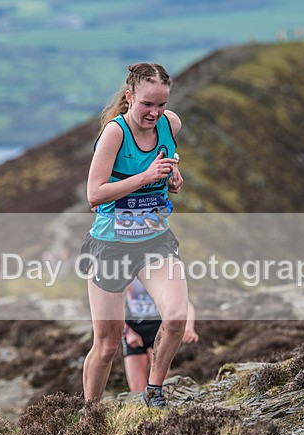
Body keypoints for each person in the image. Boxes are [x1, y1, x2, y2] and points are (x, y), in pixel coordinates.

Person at [80, 62, 188, 408]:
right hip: (110, 244)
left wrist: (172, 178)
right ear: (130, 97)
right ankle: (90, 412)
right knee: (108, 344)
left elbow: (167, 163)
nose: (154, 113)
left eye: (161, 105)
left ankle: (154, 391)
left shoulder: (171, 125)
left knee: (175, 317)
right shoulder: (115, 133)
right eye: (147, 104)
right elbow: (94, 195)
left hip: (155, 239)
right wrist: (145, 177)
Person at [123, 278, 199, 393]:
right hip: (134, 330)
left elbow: (185, 303)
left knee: (159, 383)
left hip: (158, 329)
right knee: (136, 389)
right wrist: (127, 333)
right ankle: (141, 410)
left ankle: (157, 406)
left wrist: (188, 327)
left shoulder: (159, 271)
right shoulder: (126, 274)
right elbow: (113, 310)